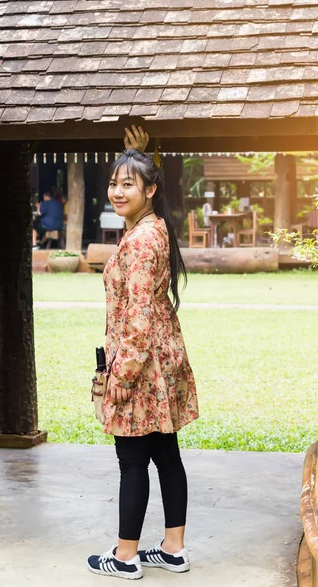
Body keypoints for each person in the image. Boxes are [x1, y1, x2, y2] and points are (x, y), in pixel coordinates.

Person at [87, 126, 199, 580]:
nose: (117, 191)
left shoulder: (142, 239)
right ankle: (173, 550)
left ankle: (125, 556)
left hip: (142, 365)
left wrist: (121, 378)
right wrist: (137, 155)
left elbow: (136, 318)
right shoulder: (151, 229)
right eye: (114, 183)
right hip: (159, 359)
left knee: (132, 460)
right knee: (166, 454)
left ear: (150, 190)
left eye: (128, 184)